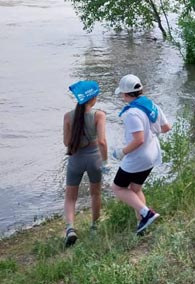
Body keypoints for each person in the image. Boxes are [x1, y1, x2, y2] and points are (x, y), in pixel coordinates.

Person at [111, 74, 171, 234]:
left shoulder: (132, 113)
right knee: (135, 189)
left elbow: (138, 139)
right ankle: (142, 225)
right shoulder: (151, 105)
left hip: (138, 157)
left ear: (126, 94)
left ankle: (146, 213)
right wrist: (152, 130)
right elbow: (166, 128)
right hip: (153, 155)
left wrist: (122, 152)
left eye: (122, 94)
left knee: (117, 188)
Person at [63, 80, 108, 247]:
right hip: (94, 158)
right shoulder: (99, 115)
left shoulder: (68, 116)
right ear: (93, 97)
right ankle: (95, 226)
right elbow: (102, 141)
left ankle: (70, 229)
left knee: (70, 197)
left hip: (76, 159)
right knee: (95, 193)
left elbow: (66, 141)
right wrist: (105, 162)